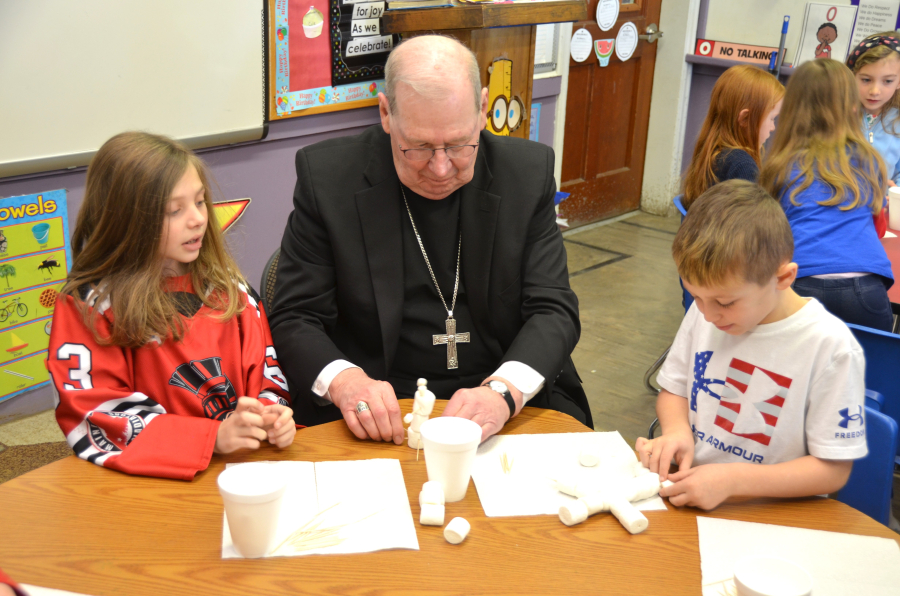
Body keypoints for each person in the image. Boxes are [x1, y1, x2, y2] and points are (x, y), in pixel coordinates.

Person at [269, 35, 591, 443]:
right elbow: (295, 314)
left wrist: (503, 392)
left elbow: (554, 309)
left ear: (482, 111)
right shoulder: (328, 178)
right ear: (386, 114)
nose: (440, 169)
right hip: (380, 402)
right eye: (418, 148)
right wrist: (345, 381)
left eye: (458, 144)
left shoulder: (526, 175)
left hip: (502, 392)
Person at [48, 132, 295, 480]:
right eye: (174, 210)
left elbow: (266, 375)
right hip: (146, 484)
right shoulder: (89, 306)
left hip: (242, 473)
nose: (197, 219)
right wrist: (212, 438)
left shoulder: (233, 293)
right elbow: (97, 414)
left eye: (199, 201)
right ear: (127, 221)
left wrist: (270, 416)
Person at [636, 180, 866, 510]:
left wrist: (732, 481)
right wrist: (676, 431)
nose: (708, 314)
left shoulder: (830, 347)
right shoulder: (706, 311)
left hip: (776, 513)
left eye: (725, 302)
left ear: (783, 278)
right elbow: (675, 389)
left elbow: (833, 470)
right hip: (698, 499)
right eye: (696, 297)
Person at [759, 59, 894, 332]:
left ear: (792, 108)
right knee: (870, 369)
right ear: (852, 106)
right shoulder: (870, 160)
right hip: (867, 286)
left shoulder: (779, 165)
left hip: (801, 280)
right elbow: (878, 223)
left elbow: (769, 232)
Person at [681, 65, 783, 210]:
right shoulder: (742, 166)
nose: (773, 127)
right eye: (772, 118)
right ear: (745, 119)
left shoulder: (712, 152)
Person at [847, 33, 900, 235]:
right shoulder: (838, 114)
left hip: (882, 217)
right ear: (852, 76)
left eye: (887, 81)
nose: (875, 90)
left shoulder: (897, 121)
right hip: (842, 210)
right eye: (866, 80)